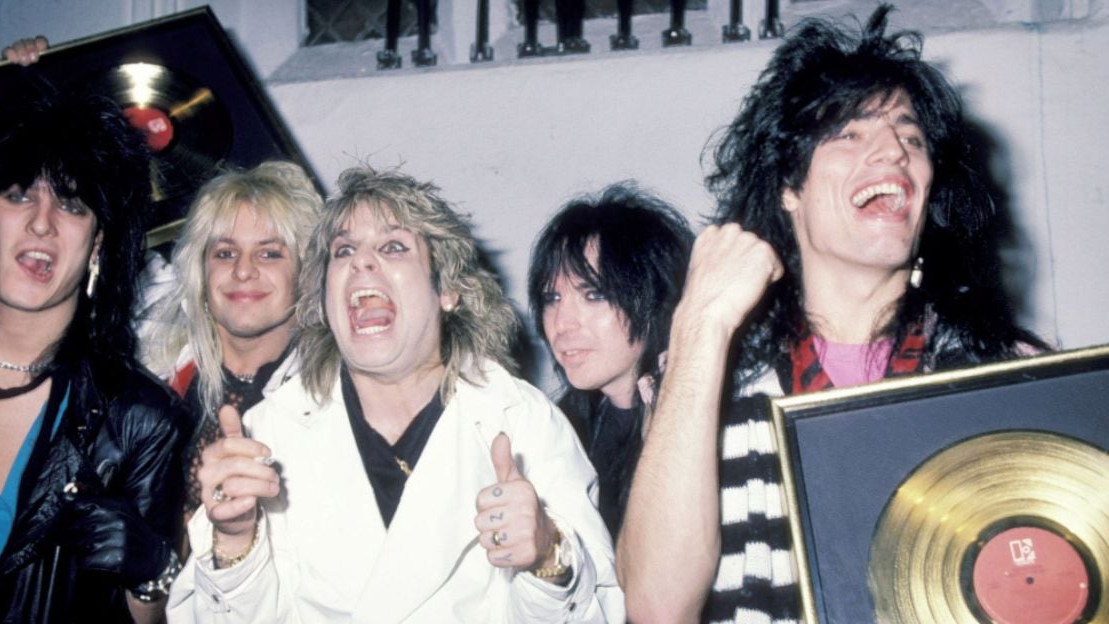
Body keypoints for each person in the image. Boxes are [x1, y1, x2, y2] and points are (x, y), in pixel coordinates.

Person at [617, 5, 1046, 622]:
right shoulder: (708, 378)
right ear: (789, 187)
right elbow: (657, 607)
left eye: (912, 136)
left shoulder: (1004, 372)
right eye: (850, 132)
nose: (894, 151)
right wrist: (700, 327)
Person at [167, 166, 624, 623]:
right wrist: (234, 541)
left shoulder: (523, 421)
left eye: (393, 246)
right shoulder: (268, 432)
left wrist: (547, 558)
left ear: (447, 290)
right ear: (325, 301)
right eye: (343, 250)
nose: (361, 262)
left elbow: (599, 612)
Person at [0, 94, 193, 622]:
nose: (42, 222)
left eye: (71, 204)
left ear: (97, 245)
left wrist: (151, 574)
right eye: (18, 195)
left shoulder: (140, 421)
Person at [140, 161, 322, 518]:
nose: (243, 269)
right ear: (201, 271)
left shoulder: (335, 400)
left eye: (270, 253)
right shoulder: (149, 376)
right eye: (225, 253)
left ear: (306, 272)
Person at [526, 183, 693, 542]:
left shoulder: (698, 420)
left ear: (654, 300)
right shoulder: (555, 427)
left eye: (594, 295)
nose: (563, 322)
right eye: (552, 297)